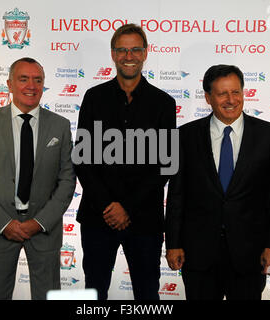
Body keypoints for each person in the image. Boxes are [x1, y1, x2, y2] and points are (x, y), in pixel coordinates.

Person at [165, 64, 270, 300]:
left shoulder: (268, 135)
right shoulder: (184, 136)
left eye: (236, 92)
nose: (231, 100)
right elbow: (177, 195)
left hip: (250, 256)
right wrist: (173, 243)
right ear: (208, 98)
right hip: (198, 255)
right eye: (222, 93)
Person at [74, 23, 176, 300]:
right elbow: (83, 160)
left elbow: (165, 165)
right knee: (94, 294)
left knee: (147, 295)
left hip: (145, 219)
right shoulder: (93, 98)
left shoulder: (164, 103)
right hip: (98, 216)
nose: (128, 56)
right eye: (122, 50)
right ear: (112, 54)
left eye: (134, 49)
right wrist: (109, 206)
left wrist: (126, 207)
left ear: (145, 53)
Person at [0, 57, 76, 300]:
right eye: (23, 79)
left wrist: (39, 222)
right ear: (10, 84)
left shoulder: (60, 126)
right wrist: (4, 224)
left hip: (44, 229)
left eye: (38, 80)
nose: (31, 86)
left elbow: (67, 181)